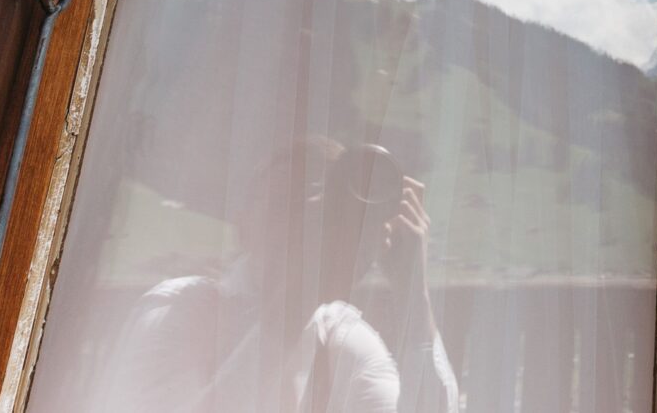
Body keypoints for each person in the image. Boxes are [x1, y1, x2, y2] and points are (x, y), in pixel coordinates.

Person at [94, 137, 461, 413]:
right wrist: (298, 296)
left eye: (326, 208)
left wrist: (414, 295)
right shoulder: (179, 307)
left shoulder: (342, 339)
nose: (304, 218)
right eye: (287, 200)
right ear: (243, 222)